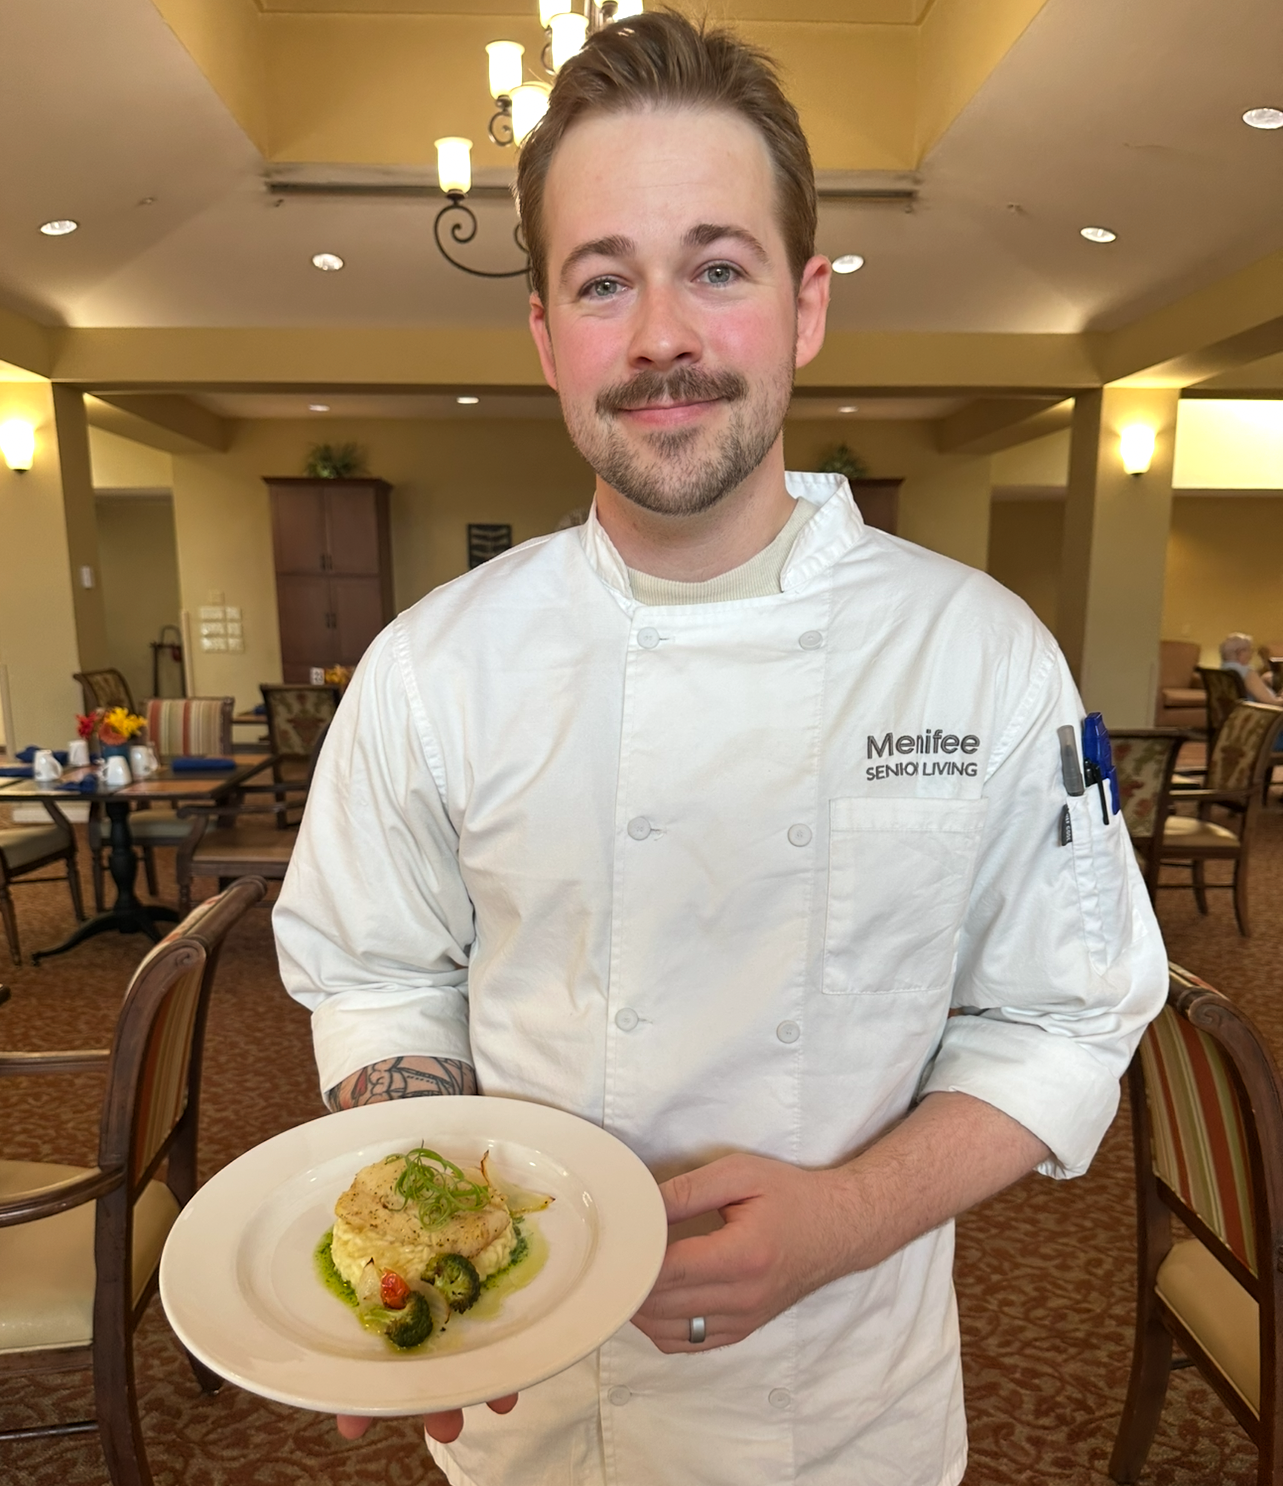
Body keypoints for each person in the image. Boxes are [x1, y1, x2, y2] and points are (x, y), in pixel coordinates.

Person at [274, 14, 1167, 1486]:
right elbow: (377, 975)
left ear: (804, 306)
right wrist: (430, 1242)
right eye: (602, 280)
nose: (660, 337)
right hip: (528, 1409)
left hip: (848, 1416)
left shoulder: (980, 654)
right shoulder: (431, 668)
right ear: (545, 337)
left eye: (715, 267)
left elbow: (1066, 1017)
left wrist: (847, 1216)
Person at [1220, 632, 1282, 705]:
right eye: (1250, 650)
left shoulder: (1223, 670)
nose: (1251, 654)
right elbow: (1271, 702)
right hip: (1258, 711)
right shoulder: (1247, 673)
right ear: (1240, 652)